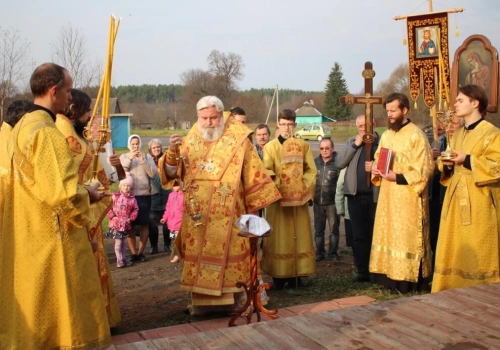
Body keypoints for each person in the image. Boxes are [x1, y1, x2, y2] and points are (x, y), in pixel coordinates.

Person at [0, 63, 111, 349]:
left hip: (27, 230)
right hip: (53, 237)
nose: (69, 97)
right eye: (66, 90)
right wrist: (89, 194)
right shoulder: (48, 134)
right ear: (53, 91)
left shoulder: (21, 127)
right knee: (63, 315)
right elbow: (63, 196)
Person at [162, 96, 281, 315]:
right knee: (199, 259)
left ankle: (237, 303)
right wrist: (170, 153)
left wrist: (252, 217)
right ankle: (203, 306)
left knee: (234, 262)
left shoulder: (239, 139)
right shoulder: (189, 140)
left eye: (213, 118)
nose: (208, 122)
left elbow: (253, 178)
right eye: (203, 118)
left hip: (232, 215)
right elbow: (172, 174)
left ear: (222, 115)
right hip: (198, 217)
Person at [55, 88, 122, 327]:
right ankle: (92, 321)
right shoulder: (69, 139)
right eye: (87, 110)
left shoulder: (68, 134)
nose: (88, 117)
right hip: (80, 211)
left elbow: (107, 177)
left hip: (84, 207)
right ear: (77, 110)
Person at [432, 84, 500, 293]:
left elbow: (497, 165)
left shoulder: (492, 133)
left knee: (477, 245)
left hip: (479, 200)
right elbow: (446, 164)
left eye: (460, 100)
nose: (455, 104)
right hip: (454, 198)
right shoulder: (458, 133)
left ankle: (482, 292)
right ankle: (450, 289)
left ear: (475, 102)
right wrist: (447, 163)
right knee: (452, 245)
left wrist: (467, 159)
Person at [370, 92, 434, 293]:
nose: (389, 114)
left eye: (393, 110)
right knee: (389, 235)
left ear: (404, 110)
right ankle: (390, 279)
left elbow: (425, 169)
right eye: (387, 111)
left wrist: (396, 177)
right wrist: (375, 168)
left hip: (408, 198)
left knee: (407, 238)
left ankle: (409, 281)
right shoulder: (387, 134)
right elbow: (380, 156)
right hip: (388, 198)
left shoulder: (417, 136)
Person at [261, 109, 317, 289]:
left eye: (290, 124)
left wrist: (302, 188)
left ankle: (297, 274)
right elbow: (267, 170)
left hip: (298, 201)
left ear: (295, 125)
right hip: (278, 201)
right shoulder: (270, 147)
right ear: (278, 124)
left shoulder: (303, 145)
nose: (287, 128)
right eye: (283, 124)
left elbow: (311, 171)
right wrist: (282, 186)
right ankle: (278, 276)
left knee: (298, 236)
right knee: (279, 237)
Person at [335, 115, 380, 282]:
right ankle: (362, 271)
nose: (363, 129)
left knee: (375, 234)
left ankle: (376, 269)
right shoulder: (351, 142)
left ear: (373, 124)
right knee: (359, 236)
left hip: (376, 197)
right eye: (360, 126)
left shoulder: (382, 141)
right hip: (355, 196)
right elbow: (339, 163)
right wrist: (356, 144)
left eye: (366, 125)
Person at [120, 134, 157, 262]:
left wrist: (142, 160)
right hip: (128, 196)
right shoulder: (124, 156)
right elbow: (121, 171)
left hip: (144, 195)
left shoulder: (146, 156)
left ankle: (141, 252)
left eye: (137, 143)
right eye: (133, 144)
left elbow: (152, 173)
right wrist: (130, 158)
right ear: (129, 145)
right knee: (130, 225)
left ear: (140, 144)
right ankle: (133, 253)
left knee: (144, 224)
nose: (135, 146)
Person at [313, 139, 340, 262]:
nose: (324, 150)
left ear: (332, 149)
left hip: (332, 203)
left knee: (334, 230)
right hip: (318, 202)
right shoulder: (314, 163)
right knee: (319, 230)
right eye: (322, 148)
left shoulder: (338, 163)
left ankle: (333, 253)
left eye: (327, 148)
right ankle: (320, 253)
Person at [107, 173, 139, 267]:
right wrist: (112, 216)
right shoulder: (115, 197)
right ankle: (119, 260)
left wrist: (131, 218)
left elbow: (135, 209)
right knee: (118, 242)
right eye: (124, 185)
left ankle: (124, 258)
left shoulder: (132, 199)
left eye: (128, 186)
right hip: (116, 223)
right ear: (120, 186)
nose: (126, 187)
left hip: (125, 224)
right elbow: (108, 207)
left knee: (124, 242)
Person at [147, 138, 172, 254]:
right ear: (150, 149)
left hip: (167, 193)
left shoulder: (167, 159)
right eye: (154, 147)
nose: (156, 149)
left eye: (158, 147)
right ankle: (154, 246)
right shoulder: (147, 160)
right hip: (153, 195)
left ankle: (168, 244)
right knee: (152, 222)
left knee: (167, 222)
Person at [160, 182, 184, 263]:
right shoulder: (171, 195)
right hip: (172, 223)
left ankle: (179, 255)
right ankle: (177, 254)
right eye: (173, 185)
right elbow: (168, 208)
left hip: (180, 222)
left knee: (180, 240)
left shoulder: (184, 195)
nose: (174, 187)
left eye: (176, 185)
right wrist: (165, 217)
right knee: (174, 240)